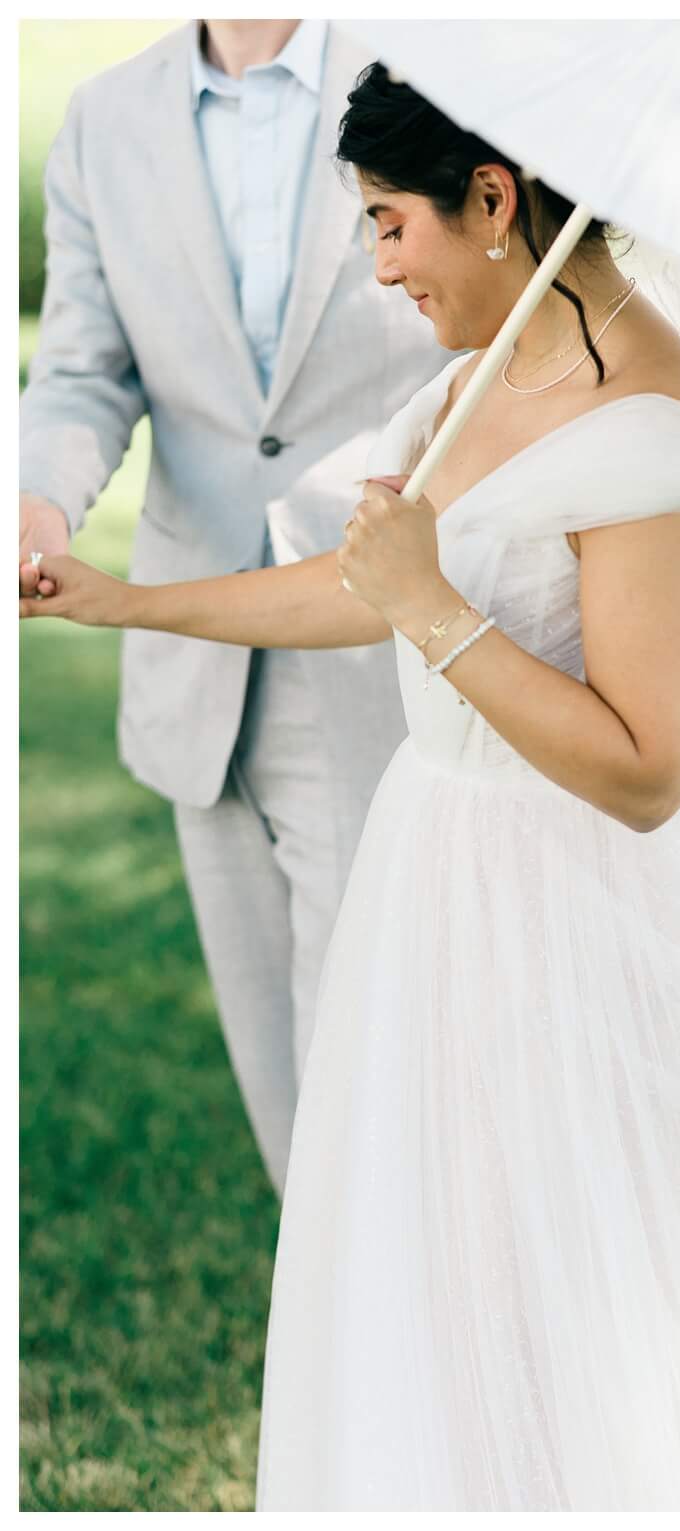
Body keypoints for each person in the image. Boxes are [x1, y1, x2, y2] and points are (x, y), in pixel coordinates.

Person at [22, 60, 680, 1509]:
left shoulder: (659, 431)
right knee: (428, 1303)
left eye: (389, 225)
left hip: (577, 929)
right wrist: (118, 603)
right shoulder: (491, 366)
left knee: (557, 1335)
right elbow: (351, 592)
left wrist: (434, 605)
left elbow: (649, 763)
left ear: (493, 201)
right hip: (437, 895)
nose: (378, 266)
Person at [18, 19, 451, 1190]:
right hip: (195, 667)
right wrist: (38, 505)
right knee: (287, 1106)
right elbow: (80, 370)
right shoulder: (105, 119)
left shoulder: (427, 68)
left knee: (377, 1084)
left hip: (381, 638)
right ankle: (338, 1354)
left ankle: (396, 1350)